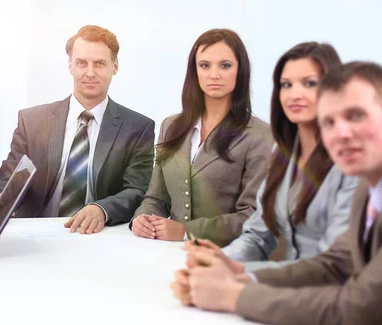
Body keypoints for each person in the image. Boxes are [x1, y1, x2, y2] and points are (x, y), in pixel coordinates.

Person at [172, 61, 382, 325]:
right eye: (328, 122)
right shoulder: (368, 188)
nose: (341, 133)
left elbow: (358, 307)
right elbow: (335, 263)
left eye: (356, 115)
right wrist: (237, 273)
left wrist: (232, 295)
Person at [184, 42, 357, 272]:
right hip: (287, 284)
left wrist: (242, 276)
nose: (295, 94)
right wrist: (219, 262)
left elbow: (332, 265)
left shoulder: (352, 163)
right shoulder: (282, 155)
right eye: (286, 84)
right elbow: (257, 237)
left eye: (309, 83)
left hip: (328, 293)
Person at [0, 25, 155, 234]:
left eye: (99, 64)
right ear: (70, 66)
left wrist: (102, 209)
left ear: (115, 66)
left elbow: (138, 189)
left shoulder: (138, 128)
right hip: (36, 233)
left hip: (99, 236)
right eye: (82, 63)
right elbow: (8, 178)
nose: (90, 73)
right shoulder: (32, 121)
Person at [132, 29, 273, 246]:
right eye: (205, 65)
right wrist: (142, 218)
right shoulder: (171, 126)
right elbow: (156, 198)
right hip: (167, 252)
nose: (213, 75)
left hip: (226, 256)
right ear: (194, 70)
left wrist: (186, 231)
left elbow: (253, 215)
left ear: (240, 71)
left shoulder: (261, 136)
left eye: (225, 65)